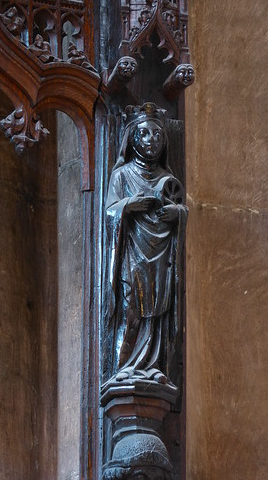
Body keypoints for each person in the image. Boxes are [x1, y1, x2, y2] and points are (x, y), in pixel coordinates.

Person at [104, 102, 188, 385]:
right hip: (133, 254)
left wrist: (177, 214)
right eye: (144, 134)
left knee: (158, 312)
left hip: (161, 256)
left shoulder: (168, 179)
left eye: (157, 135)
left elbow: (181, 208)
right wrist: (131, 204)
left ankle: (153, 366)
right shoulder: (122, 174)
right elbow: (109, 211)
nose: (151, 140)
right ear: (133, 138)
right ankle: (124, 366)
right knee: (132, 310)